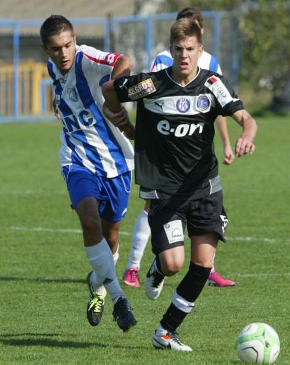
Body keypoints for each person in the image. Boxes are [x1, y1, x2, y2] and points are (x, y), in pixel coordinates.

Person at [102, 17, 258, 351]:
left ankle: (165, 331)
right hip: (164, 189)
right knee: (174, 263)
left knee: (202, 265)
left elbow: (246, 118)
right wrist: (127, 127)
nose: (184, 55)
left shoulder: (213, 84)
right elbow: (109, 92)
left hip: (205, 188)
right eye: (178, 49)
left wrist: (246, 134)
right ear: (170, 50)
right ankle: (158, 268)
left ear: (200, 51)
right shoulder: (151, 85)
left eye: (190, 49)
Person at [123, 7, 236, 289]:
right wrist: (132, 129)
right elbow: (147, 96)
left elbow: (217, 107)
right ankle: (135, 267)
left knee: (199, 214)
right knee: (152, 208)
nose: (185, 52)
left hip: (195, 155)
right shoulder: (162, 61)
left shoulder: (211, 66)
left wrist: (226, 142)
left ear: (200, 38)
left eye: (192, 38)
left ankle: (203, 269)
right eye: (180, 43)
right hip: (162, 159)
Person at [40, 14, 136, 332]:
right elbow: (62, 94)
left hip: (117, 164)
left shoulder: (87, 58)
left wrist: (114, 88)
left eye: (68, 45)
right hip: (76, 160)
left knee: (110, 238)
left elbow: (125, 59)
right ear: (47, 50)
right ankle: (120, 300)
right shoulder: (53, 68)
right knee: (89, 221)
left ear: (75, 40)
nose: (63, 53)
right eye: (56, 48)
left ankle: (98, 285)